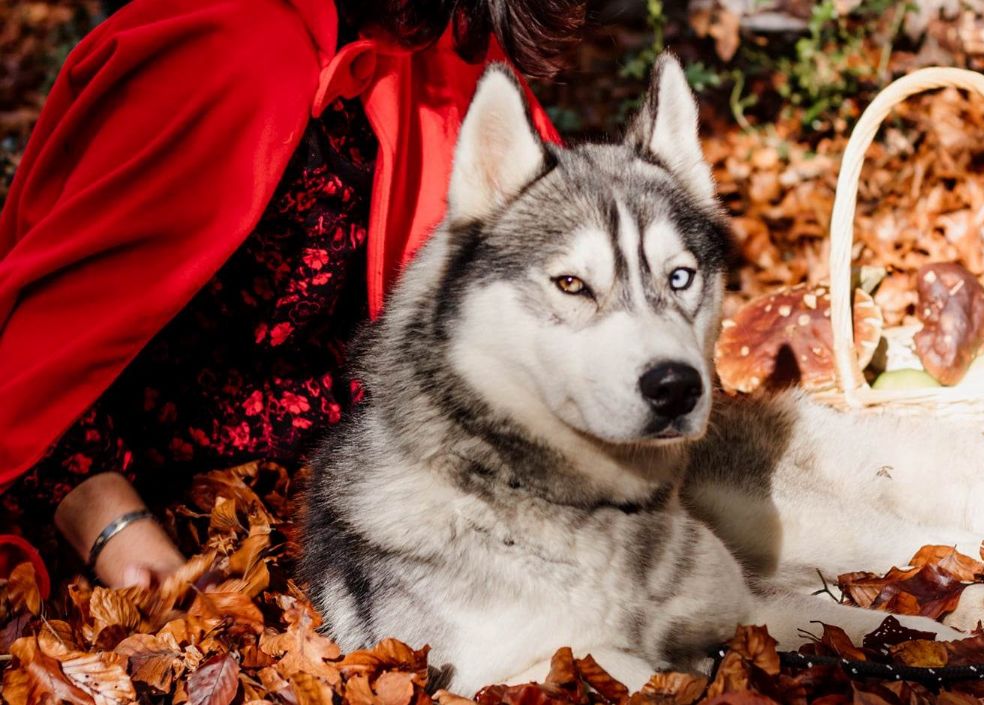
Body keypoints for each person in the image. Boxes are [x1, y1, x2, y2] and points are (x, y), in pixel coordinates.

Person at [0, 0, 577, 593]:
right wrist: (114, 526)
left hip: (324, 450)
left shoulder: (447, 51)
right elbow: (48, 343)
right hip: (124, 462)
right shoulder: (225, 45)